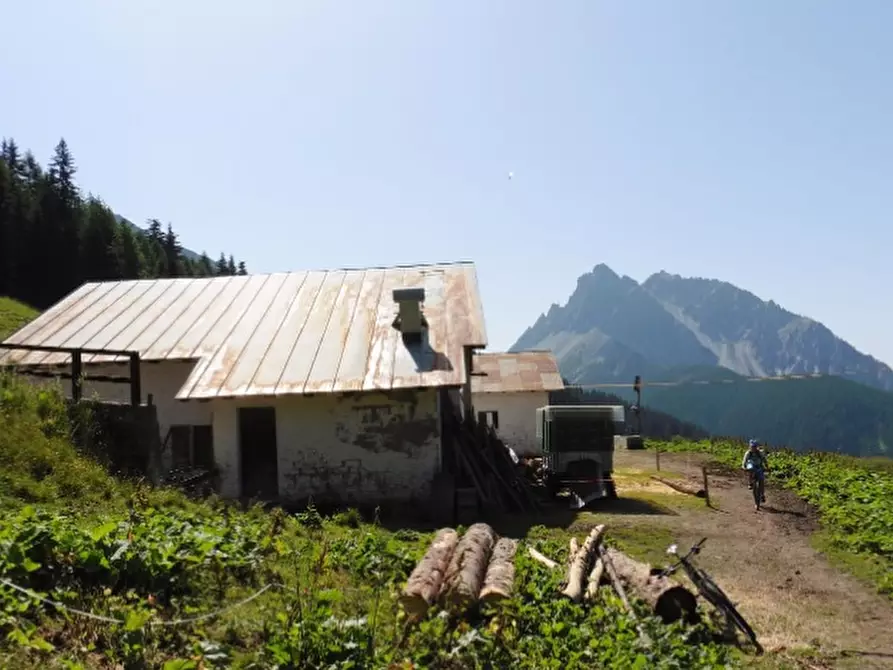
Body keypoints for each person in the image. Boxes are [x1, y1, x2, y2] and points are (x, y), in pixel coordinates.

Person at [742, 439, 767, 503]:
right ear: (750, 447)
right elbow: (744, 461)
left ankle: (762, 495)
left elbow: (764, 460)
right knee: (750, 469)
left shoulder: (760, 453)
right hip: (751, 467)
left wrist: (767, 466)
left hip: (759, 467)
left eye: (754, 447)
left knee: (761, 480)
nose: (753, 448)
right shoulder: (748, 453)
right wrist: (744, 467)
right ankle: (750, 483)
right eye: (752, 447)